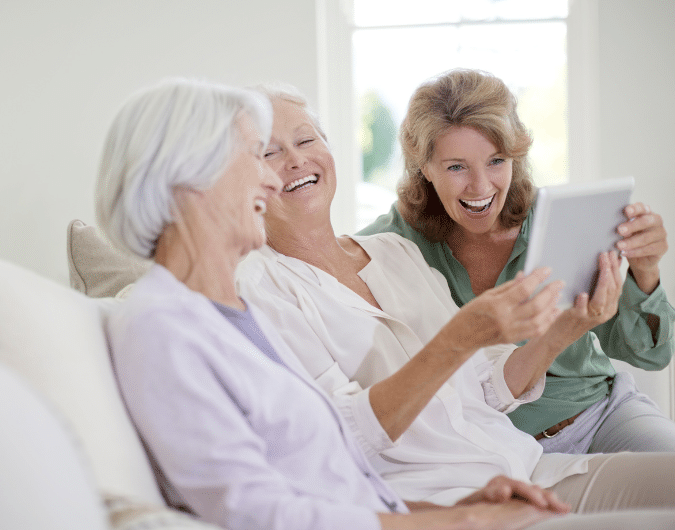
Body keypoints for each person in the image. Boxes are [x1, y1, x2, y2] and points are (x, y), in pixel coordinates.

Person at [95, 77, 610, 530]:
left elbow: (329, 475)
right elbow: (256, 507)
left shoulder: (228, 312)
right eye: (256, 156)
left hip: (478, 486)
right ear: (188, 179)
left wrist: (447, 513)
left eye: (304, 141)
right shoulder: (167, 322)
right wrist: (456, 520)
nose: (273, 177)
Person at [235, 81, 675, 520]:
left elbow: (486, 385)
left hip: (532, 459)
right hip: (454, 493)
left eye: (306, 140)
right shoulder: (258, 287)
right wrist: (460, 338)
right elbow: (338, 439)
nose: (295, 159)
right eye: (269, 153)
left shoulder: (393, 253)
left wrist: (569, 327)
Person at [358, 68, 675, 454]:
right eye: (456, 166)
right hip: (494, 448)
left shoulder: (562, 220)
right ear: (424, 167)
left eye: (496, 161)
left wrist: (645, 270)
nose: (480, 186)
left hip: (601, 416)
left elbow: (650, 353)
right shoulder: (387, 245)